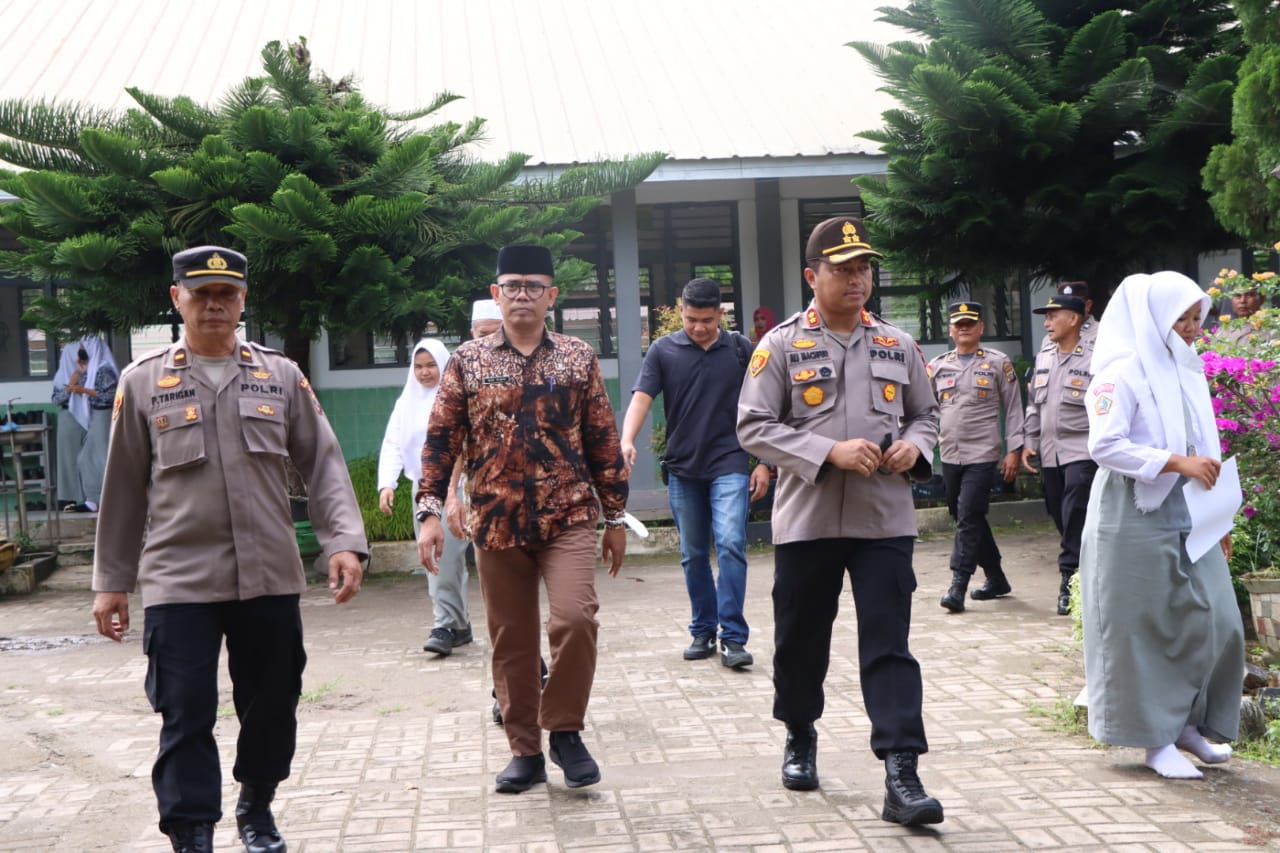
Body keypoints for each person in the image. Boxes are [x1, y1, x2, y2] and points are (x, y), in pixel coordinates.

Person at [91, 246, 368, 853]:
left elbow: (322, 465)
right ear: (177, 299)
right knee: (185, 709)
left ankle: (257, 805)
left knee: (272, 702)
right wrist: (111, 581)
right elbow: (122, 491)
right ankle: (191, 832)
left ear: (243, 300)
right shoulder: (144, 384)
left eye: (227, 294)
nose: (214, 304)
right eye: (201, 293)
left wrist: (343, 540)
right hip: (177, 579)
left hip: (268, 572)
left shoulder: (280, 375)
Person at [737, 216, 944, 826]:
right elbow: (753, 425)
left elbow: (927, 415)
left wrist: (914, 446)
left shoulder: (898, 344)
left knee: (890, 646)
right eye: (842, 268)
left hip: (885, 519)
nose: (858, 279)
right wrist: (827, 452)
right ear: (812, 276)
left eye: (864, 268)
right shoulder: (778, 346)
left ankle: (901, 771)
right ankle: (800, 732)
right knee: (802, 640)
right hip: (808, 520)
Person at [416, 244, 628, 794]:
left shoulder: (578, 357)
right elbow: (441, 440)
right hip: (497, 520)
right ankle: (525, 751)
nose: (522, 296)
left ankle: (563, 729)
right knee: (511, 641)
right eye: (512, 285)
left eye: (534, 286)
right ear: (496, 294)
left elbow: (604, 439)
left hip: (569, 516)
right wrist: (431, 511)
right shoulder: (468, 360)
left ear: (551, 296)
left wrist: (617, 517)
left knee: (575, 620)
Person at [1081, 270, 1242, 779]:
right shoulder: (1120, 373)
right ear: (1155, 318)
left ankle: (1189, 724)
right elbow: (1104, 445)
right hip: (1132, 510)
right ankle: (1155, 739)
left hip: (1192, 507)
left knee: (1218, 619)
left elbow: (1206, 448)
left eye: (1199, 317)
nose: (1195, 327)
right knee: (1144, 627)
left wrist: (1220, 518)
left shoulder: (1185, 368)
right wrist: (1176, 463)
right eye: (1185, 318)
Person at [620, 277, 770, 668]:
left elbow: (767, 406)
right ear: (680, 311)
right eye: (690, 319)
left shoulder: (741, 350)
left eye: (706, 319)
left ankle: (733, 638)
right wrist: (626, 440)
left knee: (732, 545)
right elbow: (642, 397)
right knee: (693, 554)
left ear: (721, 313)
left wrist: (766, 464)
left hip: (730, 463)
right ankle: (703, 629)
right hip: (684, 466)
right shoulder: (663, 350)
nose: (699, 327)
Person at [927, 302, 1024, 611]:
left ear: (981, 327)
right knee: (966, 515)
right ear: (951, 329)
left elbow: (1013, 408)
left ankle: (958, 583)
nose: (964, 328)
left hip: (983, 452)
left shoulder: (998, 363)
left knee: (968, 515)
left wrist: (1015, 450)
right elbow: (923, 410)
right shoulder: (938, 366)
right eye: (959, 324)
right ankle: (996, 577)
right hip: (951, 454)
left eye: (970, 323)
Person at [377, 338, 471, 656]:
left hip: (454, 489)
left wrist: (452, 491)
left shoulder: (455, 399)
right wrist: (387, 484)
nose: (425, 372)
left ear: (444, 365)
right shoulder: (407, 402)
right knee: (439, 559)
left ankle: (443, 625)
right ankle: (458, 626)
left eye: (431, 365)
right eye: (418, 366)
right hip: (423, 490)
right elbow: (393, 442)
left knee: (446, 557)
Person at [1021, 293, 1097, 616]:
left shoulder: (1095, 356)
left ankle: (1069, 581)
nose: (1047, 322)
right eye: (1046, 316)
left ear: (1075, 318)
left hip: (1082, 448)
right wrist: (1029, 440)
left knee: (1076, 508)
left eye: (1054, 315)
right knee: (1060, 513)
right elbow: (1034, 403)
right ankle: (1084, 566)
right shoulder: (1045, 355)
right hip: (1050, 452)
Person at [50, 336, 119, 512]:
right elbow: (57, 399)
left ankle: (107, 497)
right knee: (81, 459)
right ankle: (86, 499)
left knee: (97, 458)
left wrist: (82, 389)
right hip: (82, 415)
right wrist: (72, 385)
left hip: (100, 416)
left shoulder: (101, 371)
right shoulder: (78, 373)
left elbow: (110, 396)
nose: (78, 357)